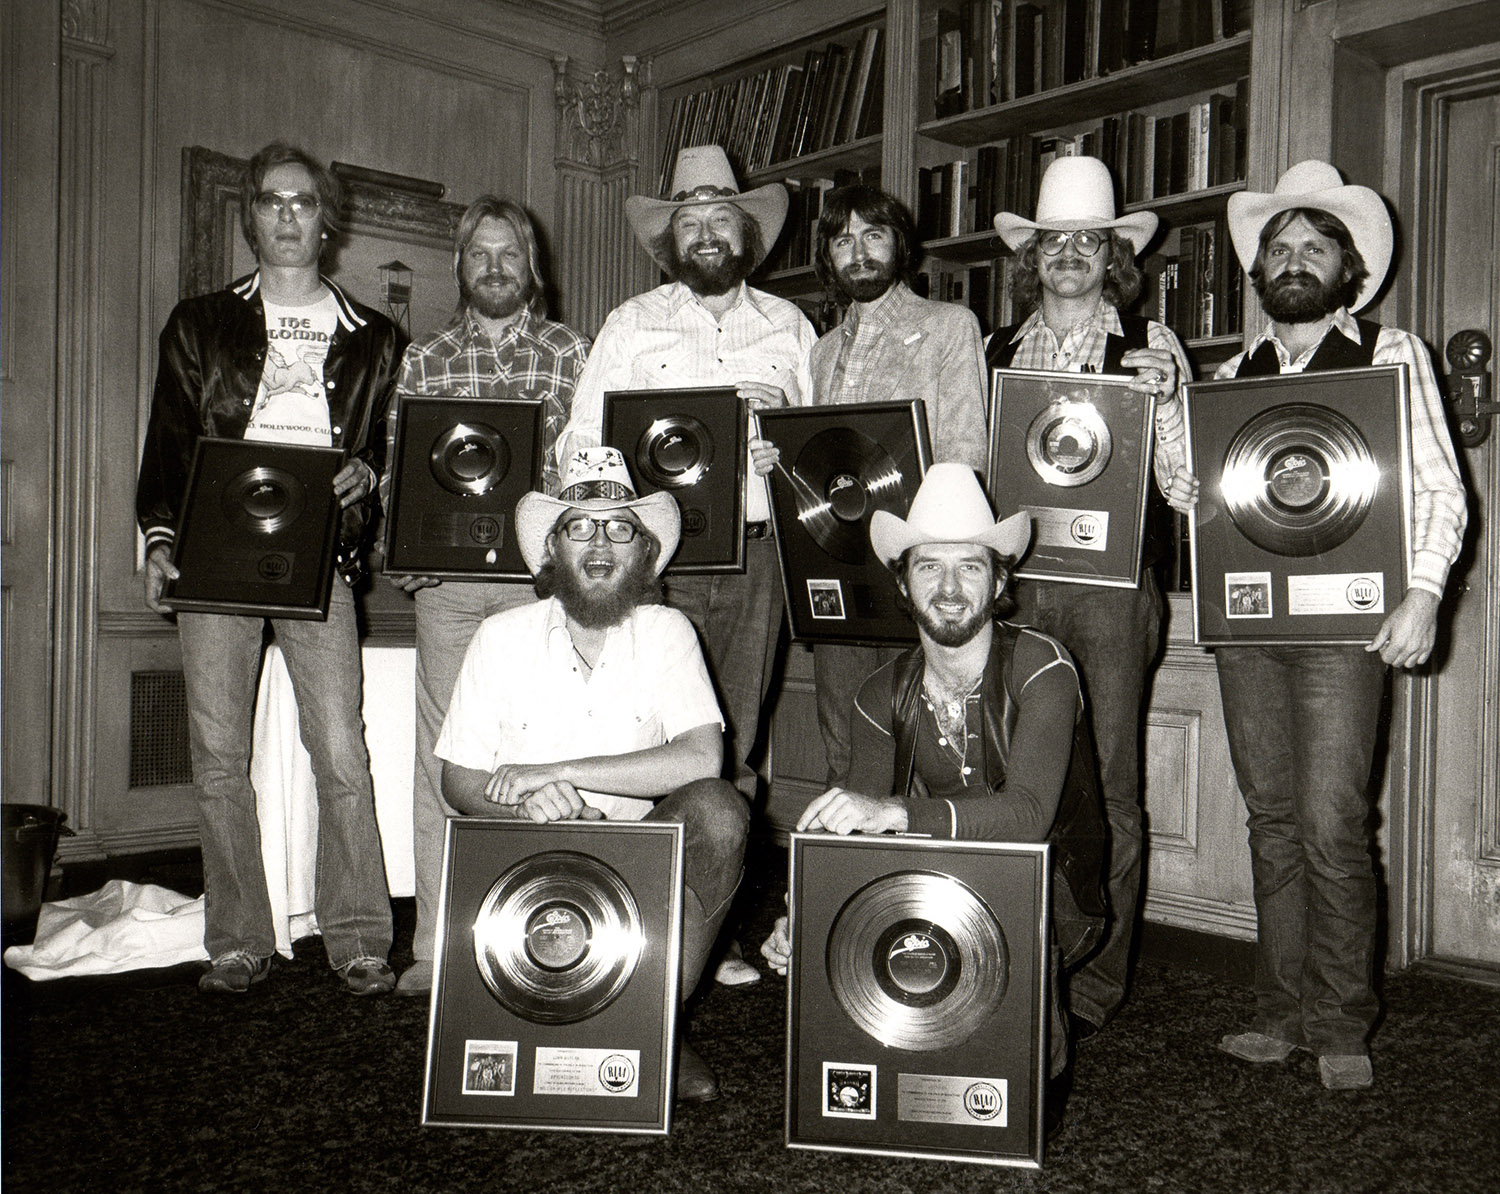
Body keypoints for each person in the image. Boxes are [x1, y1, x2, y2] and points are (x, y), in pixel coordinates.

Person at [1212, 160, 1467, 1091]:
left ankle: (1341, 1023)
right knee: (1271, 821)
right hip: (1247, 627)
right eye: (1277, 247)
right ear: (1258, 270)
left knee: (1330, 823)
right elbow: (1184, 495)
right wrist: (1163, 409)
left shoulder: (1391, 354)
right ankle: (1278, 1013)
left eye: (1314, 247)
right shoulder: (1232, 374)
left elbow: (1440, 486)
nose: (1292, 260)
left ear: (1347, 269)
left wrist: (1426, 591)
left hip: (1346, 628)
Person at [136, 142, 403, 996]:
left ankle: (359, 935)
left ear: (328, 220)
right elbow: (170, 444)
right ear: (250, 216)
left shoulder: (375, 338)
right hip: (214, 557)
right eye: (271, 200)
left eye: (303, 201)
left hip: (318, 558)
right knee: (218, 755)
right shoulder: (200, 323)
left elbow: (388, 454)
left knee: (340, 751)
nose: (288, 215)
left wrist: (371, 474)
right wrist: (158, 540)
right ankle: (239, 938)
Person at [759, 463, 1108, 1093]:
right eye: (928, 567)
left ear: (1000, 580)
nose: (949, 587)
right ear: (903, 585)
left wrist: (895, 813)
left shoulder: (1042, 665)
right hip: (937, 873)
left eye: (970, 567)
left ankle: (1026, 1054)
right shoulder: (878, 692)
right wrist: (799, 910)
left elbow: (1028, 816)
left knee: (1022, 1093)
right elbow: (854, 823)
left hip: (1048, 882)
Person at [557, 144, 818, 984]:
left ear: (747, 235)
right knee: (639, 732)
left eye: (720, 221)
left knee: (733, 739)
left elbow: (829, 446)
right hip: (656, 560)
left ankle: (715, 933)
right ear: (672, 240)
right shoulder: (632, 324)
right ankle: (623, 918)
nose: (706, 234)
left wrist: (794, 438)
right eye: (690, 223)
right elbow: (579, 442)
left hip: (755, 554)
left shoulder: (791, 327)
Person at [435, 447, 750, 1102]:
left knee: (720, 809)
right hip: (526, 861)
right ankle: (575, 1017)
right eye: (579, 527)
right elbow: (459, 783)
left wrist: (557, 773)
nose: (599, 543)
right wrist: (528, 805)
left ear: (642, 553)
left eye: (619, 528)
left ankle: (656, 1021)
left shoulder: (668, 631)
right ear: (552, 550)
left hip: (638, 867)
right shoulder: (500, 636)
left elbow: (702, 760)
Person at [985, 155, 1199, 1043]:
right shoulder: (998, 350)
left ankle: (1099, 978)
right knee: (1011, 774)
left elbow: (1186, 491)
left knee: (1111, 784)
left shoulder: (1150, 347)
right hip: (1020, 588)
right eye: (1052, 242)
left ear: (1113, 255)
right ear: (1030, 258)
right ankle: (1012, 956)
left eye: (1087, 241)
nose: (1068, 254)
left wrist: (1173, 401)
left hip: (1114, 596)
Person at [380, 195, 590, 997]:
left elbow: (588, 471)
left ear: (531, 266)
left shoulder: (573, 352)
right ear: (460, 266)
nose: (495, 268)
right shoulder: (425, 358)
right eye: (479, 255)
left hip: (541, 585)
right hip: (451, 589)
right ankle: (434, 946)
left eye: (509, 254)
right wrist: (405, 553)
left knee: (543, 759)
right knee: (449, 759)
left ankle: (545, 936)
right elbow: (403, 471)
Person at [795, 183, 990, 787]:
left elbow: (966, 452)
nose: (858, 251)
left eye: (873, 235)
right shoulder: (821, 352)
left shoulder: (948, 326)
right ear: (827, 255)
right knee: (848, 745)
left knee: (937, 748)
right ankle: (849, 876)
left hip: (923, 571)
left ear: (898, 245)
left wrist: (932, 560)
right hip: (841, 569)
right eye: (842, 239)